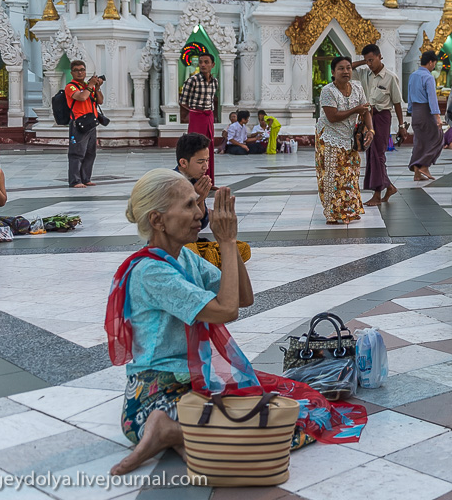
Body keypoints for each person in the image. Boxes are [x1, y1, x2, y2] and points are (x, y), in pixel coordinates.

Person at [107, 170, 365, 476]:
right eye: (189, 206)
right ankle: (169, 429)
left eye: (198, 204)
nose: (200, 214)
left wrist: (229, 241)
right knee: (282, 431)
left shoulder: (184, 259)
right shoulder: (151, 272)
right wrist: (227, 244)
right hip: (155, 398)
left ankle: (182, 435)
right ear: (157, 220)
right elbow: (226, 310)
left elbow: (243, 297)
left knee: (306, 408)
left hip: (193, 385)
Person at [317, 56, 374, 224]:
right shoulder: (328, 91)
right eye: (341, 68)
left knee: (350, 175)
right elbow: (332, 116)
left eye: (348, 68)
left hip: (350, 139)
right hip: (329, 138)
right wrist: (355, 109)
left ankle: (349, 211)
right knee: (331, 177)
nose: (346, 71)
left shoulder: (357, 87)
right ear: (333, 72)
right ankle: (332, 213)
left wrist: (370, 130)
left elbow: (366, 110)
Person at [351, 44, 405, 206]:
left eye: (372, 60)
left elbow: (396, 103)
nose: (369, 64)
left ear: (380, 56)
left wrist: (401, 126)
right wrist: (363, 62)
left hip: (382, 117)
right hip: (367, 116)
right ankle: (388, 186)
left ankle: (377, 193)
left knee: (378, 154)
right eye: (367, 60)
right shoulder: (365, 74)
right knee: (370, 153)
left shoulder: (390, 77)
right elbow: (349, 67)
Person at [178, 53, 218, 182]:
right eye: (201, 62)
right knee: (195, 147)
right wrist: (191, 112)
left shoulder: (214, 82)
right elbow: (183, 101)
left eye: (206, 62)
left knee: (209, 147)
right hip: (196, 115)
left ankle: (208, 180)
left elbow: (212, 100)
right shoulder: (192, 80)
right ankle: (194, 180)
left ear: (213, 65)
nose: (202, 65)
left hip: (208, 116)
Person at [66, 60, 104, 188]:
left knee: (90, 152)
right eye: (76, 70)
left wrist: (96, 87)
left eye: (82, 70)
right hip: (78, 123)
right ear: (72, 72)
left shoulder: (87, 87)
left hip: (90, 122)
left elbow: (100, 101)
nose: (80, 72)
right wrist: (90, 85)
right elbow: (81, 97)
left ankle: (85, 178)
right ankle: (75, 180)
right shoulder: (71, 86)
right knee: (77, 153)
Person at [407, 51, 443, 181]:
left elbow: (409, 96)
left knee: (419, 141)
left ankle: (417, 171)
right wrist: (437, 116)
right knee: (438, 137)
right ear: (430, 62)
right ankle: (424, 165)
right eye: (434, 63)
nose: (434, 66)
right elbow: (432, 98)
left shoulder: (413, 76)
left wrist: (410, 110)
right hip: (425, 111)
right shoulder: (428, 77)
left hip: (415, 111)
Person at [174, 132, 212, 232]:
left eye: (207, 160)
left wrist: (201, 198)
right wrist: (196, 198)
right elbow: (174, 222)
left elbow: (201, 223)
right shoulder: (170, 183)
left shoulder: (195, 180)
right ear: (183, 162)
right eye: (200, 162)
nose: (206, 167)